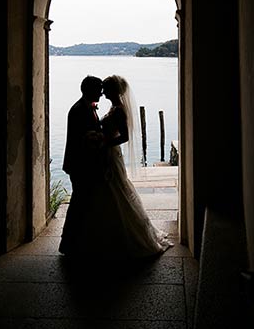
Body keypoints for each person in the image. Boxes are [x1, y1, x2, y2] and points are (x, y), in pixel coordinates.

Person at [96, 74, 173, 257]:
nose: (102, 91)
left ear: (112, 90)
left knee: (117, 187)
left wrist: (106, 143)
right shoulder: (114, 107)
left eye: (105, 88)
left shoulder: (119, 110)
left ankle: (130, 234)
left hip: (111, 153)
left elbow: (124, 137)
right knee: (111, 189)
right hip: (107, 152)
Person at [58, 75, 105, 255]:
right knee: (78, 203)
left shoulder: (86, 107)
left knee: (83, 202)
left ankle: (78, 241)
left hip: (84, 165)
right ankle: (68, 244)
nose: (101, 93)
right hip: (80, 165)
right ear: (90, 90)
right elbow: (81, 141)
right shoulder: (78, 110)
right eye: (99, 89)